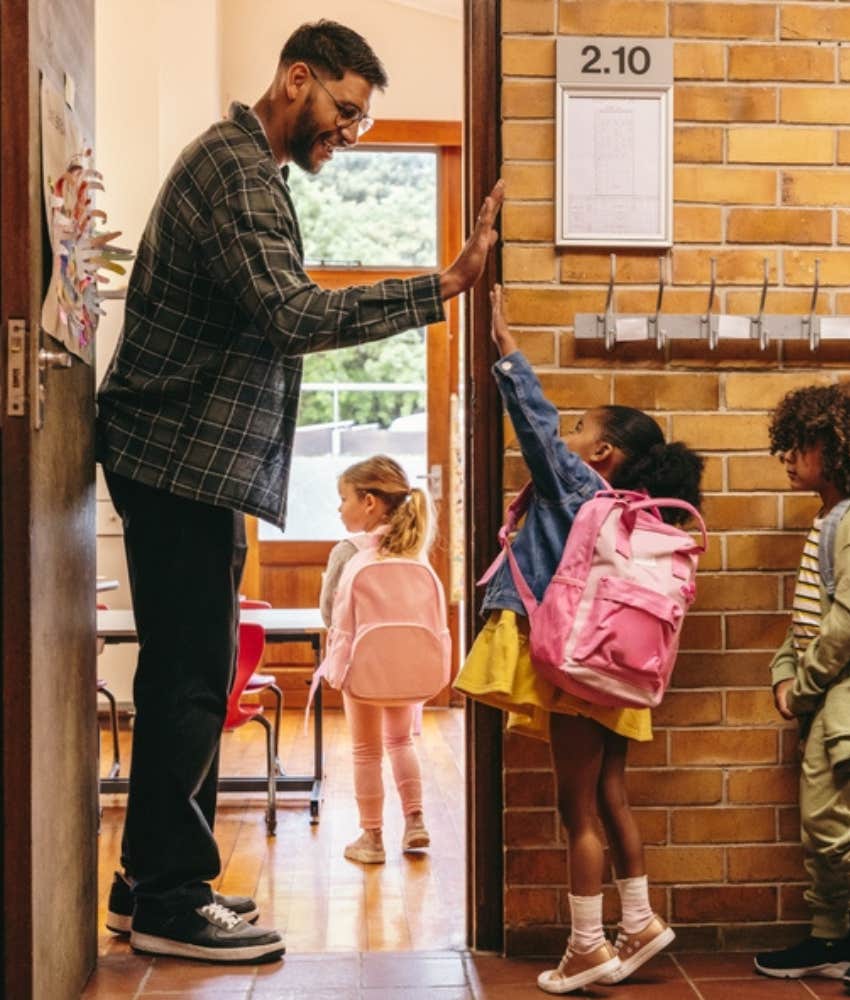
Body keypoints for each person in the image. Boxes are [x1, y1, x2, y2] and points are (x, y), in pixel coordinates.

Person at [96, 18, 503, 963]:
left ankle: (152, 878)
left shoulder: (251, 170)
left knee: (194, 673)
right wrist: (442, 285)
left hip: (195, 462)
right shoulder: (237, 173)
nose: (347, 135)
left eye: (359, 124)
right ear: (297, 79)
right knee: (192, 678)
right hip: (177, 459)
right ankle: (167, 898)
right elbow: (290, 313)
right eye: (344, 114)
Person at [454, 285, 704, 994]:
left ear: (603, 452)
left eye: (578, 435)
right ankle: (640, 920)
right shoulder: (644, 517)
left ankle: (588, 947)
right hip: (624, 668)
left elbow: (534, 424)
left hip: (581, 664)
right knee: (612, 793)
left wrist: (504, 346)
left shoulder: (583, 491)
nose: (564, 443)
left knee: (575, 808)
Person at [753, 384, 850, 984]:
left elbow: (843, 627)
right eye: (784, 445)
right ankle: (831, 939)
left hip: (839, 696)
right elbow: (805, 621)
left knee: (832, 824)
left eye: (800, 445)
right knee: (824, 826)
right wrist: (784, 674)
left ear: (838, 449)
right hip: (822, 692)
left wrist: (806, 685)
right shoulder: (829, 520)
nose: (787, 456)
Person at [319, 455, 437, 864]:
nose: (340, 508)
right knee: (401, 741)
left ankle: (371, 839)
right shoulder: (413, 549)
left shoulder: (348, 551)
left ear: (369, 501)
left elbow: (327, 612)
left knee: (366, 751)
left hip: (361, 667)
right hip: (407, 665)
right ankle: (415, 821)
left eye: (344, 498)